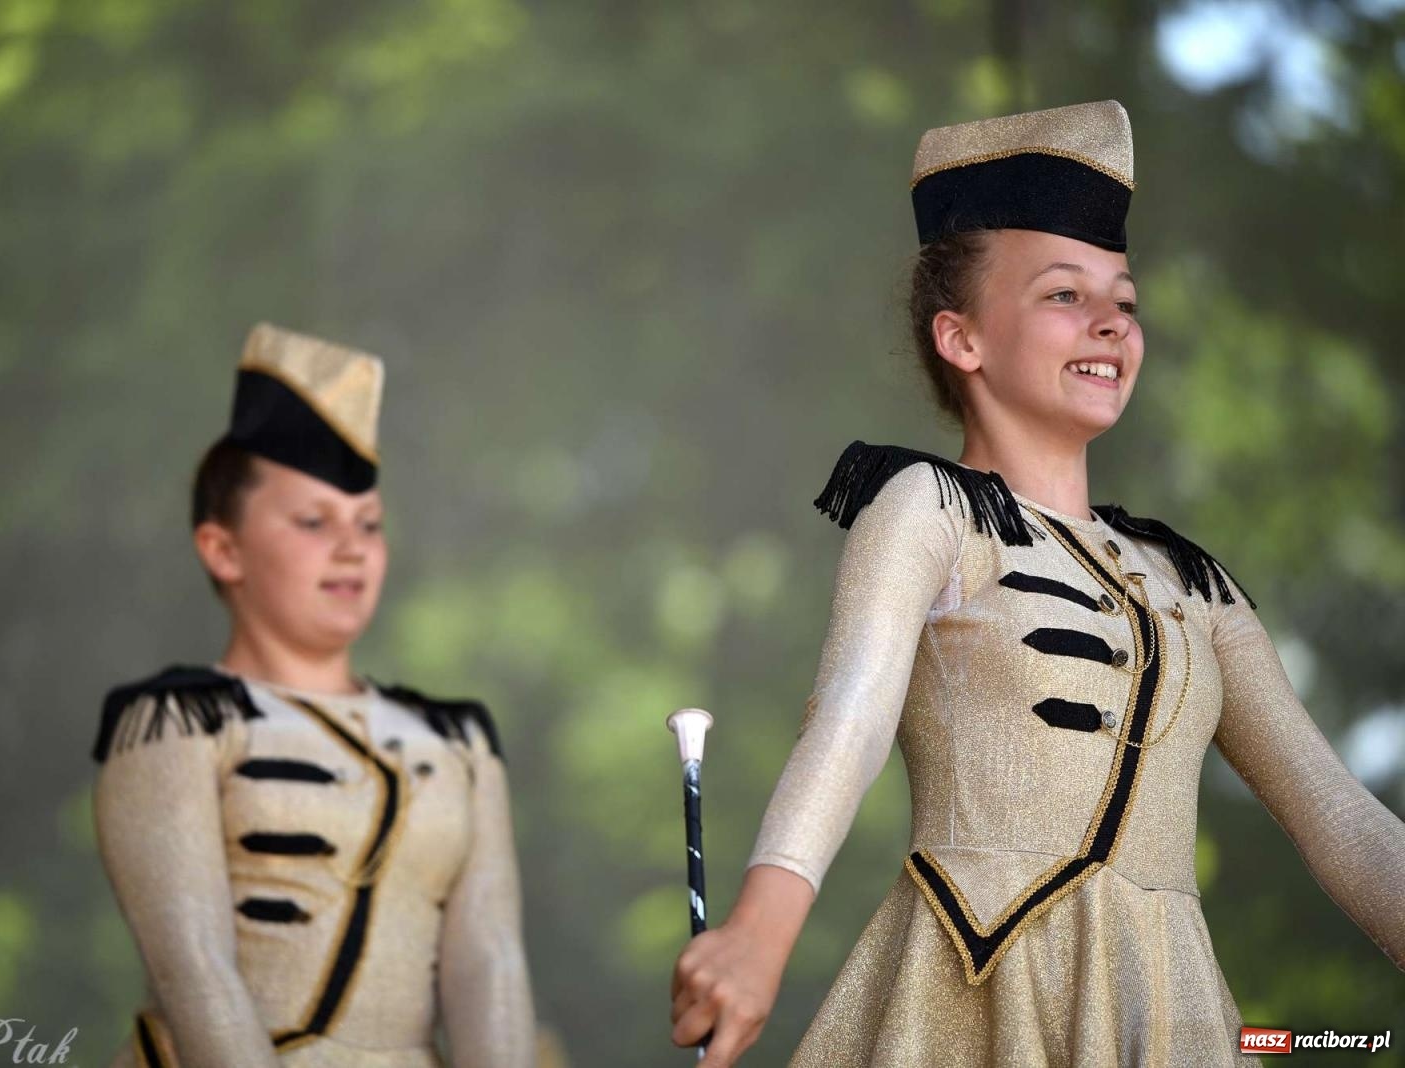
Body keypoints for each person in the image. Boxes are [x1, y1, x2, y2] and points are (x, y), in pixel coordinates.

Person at [669, 100, 1405, 1066]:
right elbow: (847, 719)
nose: (1111, 321)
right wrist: (760, 930)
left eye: (1125, 300)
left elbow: (1340, 817)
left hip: (1167, 1008)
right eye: (1064, 295)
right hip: (974, 993)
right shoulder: (927, 508)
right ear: (961, 340)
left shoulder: (1190, 579)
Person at [93, 324, 537, 1068]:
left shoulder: (458, 739)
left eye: (370, 524)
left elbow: (489, 962)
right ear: (222, 549)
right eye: (313, 522)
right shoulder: (179, 721)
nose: (352, 547)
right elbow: (195, 970)